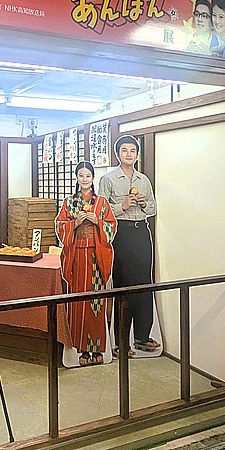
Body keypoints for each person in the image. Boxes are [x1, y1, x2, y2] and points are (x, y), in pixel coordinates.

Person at [98, 135, 159, 357]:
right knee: (123, 286)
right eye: (124, 150)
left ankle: (142, 336)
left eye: (133, 150)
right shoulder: (108, 179)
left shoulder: (144, 180)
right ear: (117, 154)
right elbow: (101, 211)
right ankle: (120, 342)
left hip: (141, 232)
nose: (129, 154)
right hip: (121, 234)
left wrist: (144, 203)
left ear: (137, 154)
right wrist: (122, 206)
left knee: (144, 284)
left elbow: (153, 208)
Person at [55, 161, 117, 366]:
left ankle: (96, 347)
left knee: (95, 302)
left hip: (96, 256)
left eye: (88, 175)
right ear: (76, 178)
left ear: (92, 178)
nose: (84, 179)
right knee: (78, 302)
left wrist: (97, 221)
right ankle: (81, 349)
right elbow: (60, 226)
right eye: (81, 175)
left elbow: (111, 226)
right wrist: (76, 223)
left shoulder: (101, 203)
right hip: (76, 257)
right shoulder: (69, 202)